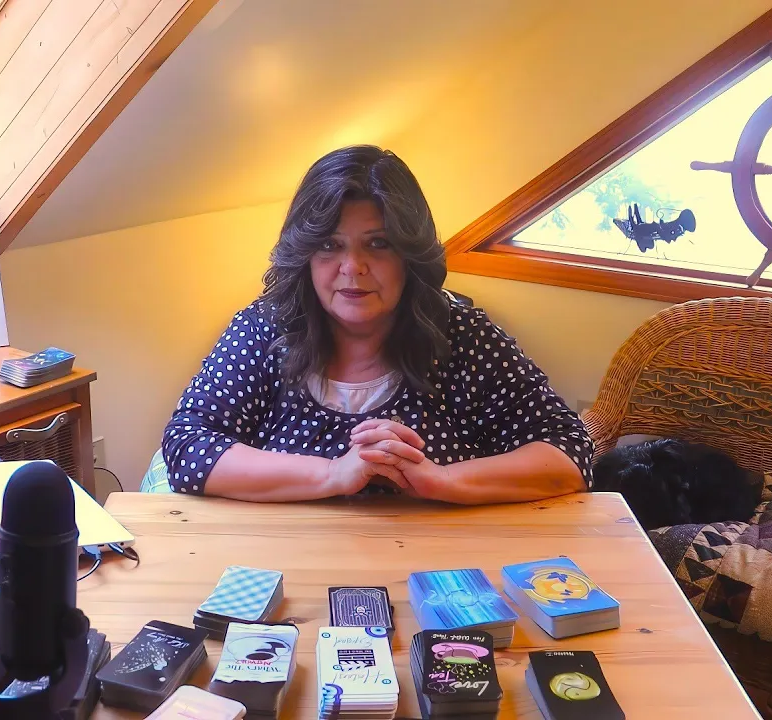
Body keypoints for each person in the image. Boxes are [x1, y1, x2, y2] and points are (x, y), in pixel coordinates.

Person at [160, 145, 591, 504]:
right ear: (305, 255)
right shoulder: (264, 330)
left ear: (409, 255)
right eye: (329, 245)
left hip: (442, 567)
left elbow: (567, 450)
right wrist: (333, 474)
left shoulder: (463, 336)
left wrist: (441, 479)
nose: (353, 267)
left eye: (378, 244)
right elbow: (187, 446)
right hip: (285, 565)